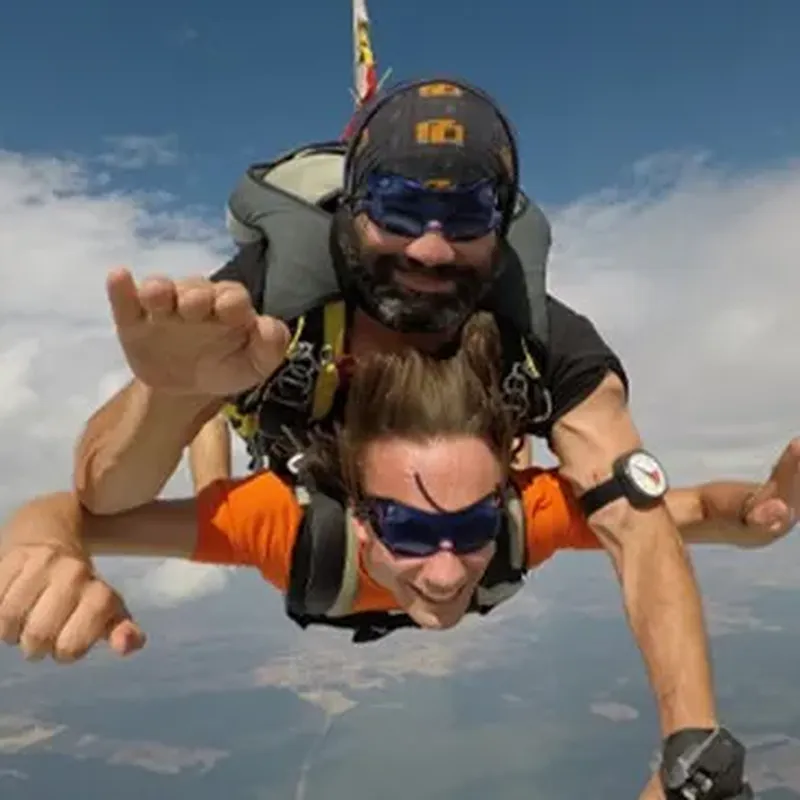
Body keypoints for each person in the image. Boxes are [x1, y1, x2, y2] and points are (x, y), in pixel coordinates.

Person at [72, 77, 738, 780]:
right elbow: (105, 494)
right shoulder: (271, 294)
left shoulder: (547, 344)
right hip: (293, 459)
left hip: (366, 506)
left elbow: (637, 517)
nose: (430, 249)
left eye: (467, 216)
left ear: (503, 226)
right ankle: (210, 426)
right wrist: (169, 397)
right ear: (354, 208)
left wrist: (692, 752)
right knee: (221, 440)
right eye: (400, 206)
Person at [5, 316, 794, 797]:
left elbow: (680, 510)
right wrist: (38, 545)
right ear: (353, 513)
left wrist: (754, 512)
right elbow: (71, 513)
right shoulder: (282, 523)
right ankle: (209, 417)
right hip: (269, 510)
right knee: (218, 506)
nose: (448, 570)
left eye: (473, 522)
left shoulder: (526, 515)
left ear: (502, 496)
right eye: (410, 531)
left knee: (219, 522)